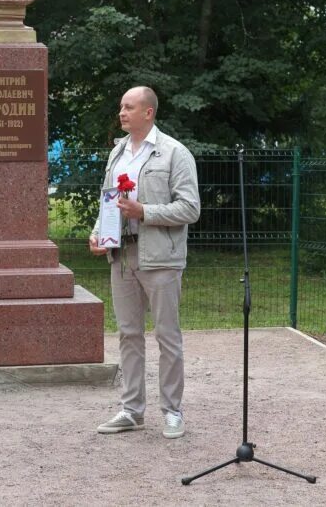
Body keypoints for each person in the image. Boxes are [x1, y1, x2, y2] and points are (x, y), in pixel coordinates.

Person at [89, 87, 200, 439]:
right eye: (121, 106)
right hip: (122, 256)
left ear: (148, 113)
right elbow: (108, 200)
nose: (121, 112)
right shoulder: (118, 153)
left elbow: (190, 208)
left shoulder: (174, 154)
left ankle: (172, 412)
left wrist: (145, 212)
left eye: (129, 107)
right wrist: (98, 234)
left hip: (161, 258)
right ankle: (131, 410)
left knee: (167, 336)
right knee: (128, 335)